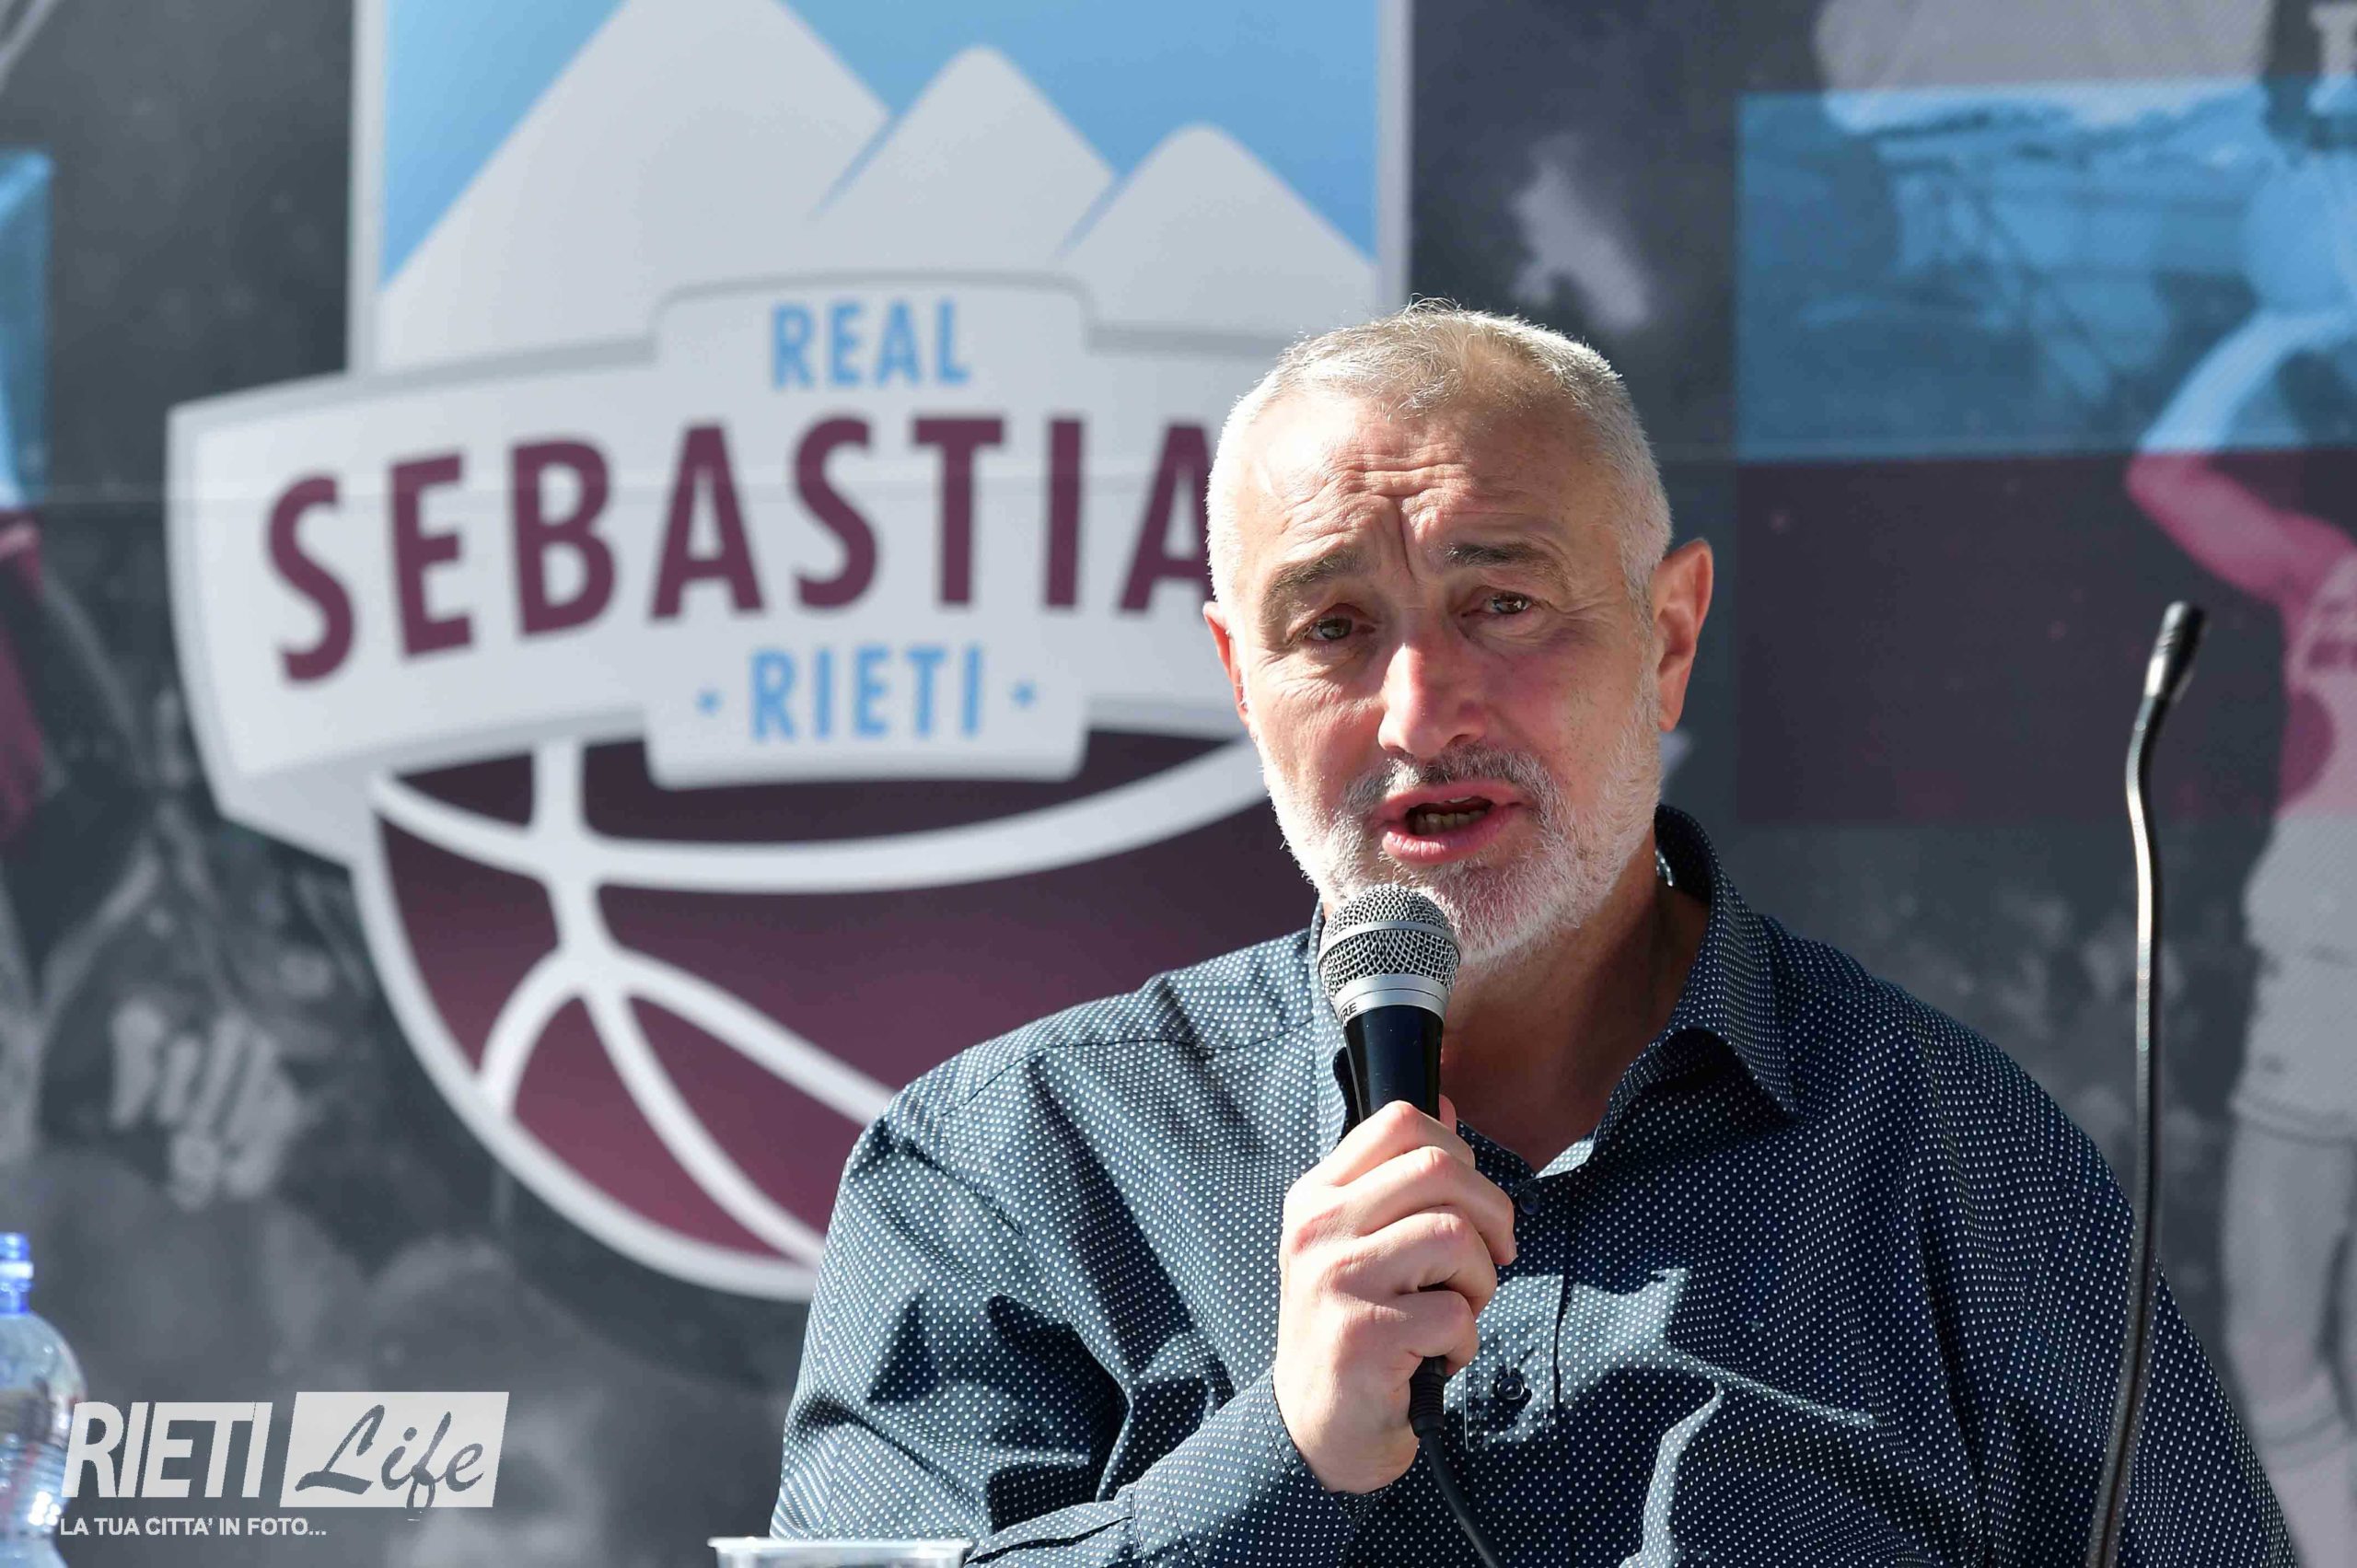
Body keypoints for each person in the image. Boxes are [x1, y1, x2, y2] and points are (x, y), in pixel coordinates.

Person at [772, 304, 2289, 1563]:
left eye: (1500, 602)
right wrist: (1285, 1455)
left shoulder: (1952, 1158)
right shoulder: (1013, 1165)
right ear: (1242, 680)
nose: (1421, 713)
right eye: (1333, 628)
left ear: (1669, 638)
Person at [2122, 78, 2357, 1564]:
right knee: (2270, 1330)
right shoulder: (2324, 567)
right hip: (2320, 972)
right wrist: (2289, 324)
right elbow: (2163, 474)